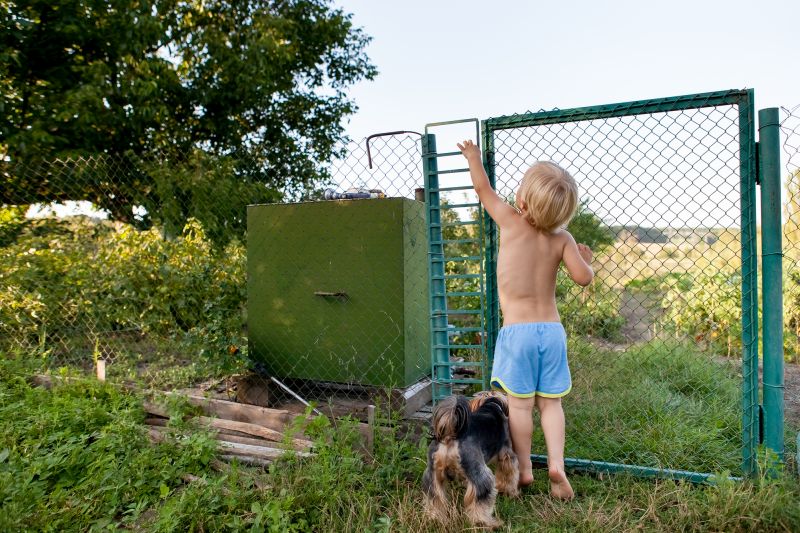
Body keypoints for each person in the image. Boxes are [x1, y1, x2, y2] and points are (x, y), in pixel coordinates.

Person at [457, 140, 594, 500]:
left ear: (522, 200)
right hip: (551, 332)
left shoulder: (510, 222)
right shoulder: (563, 238)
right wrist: (586, 259)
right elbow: (583, 278)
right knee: (551, 404)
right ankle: (557, 466)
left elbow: (482, 189)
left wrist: (474, 157)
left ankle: (526, 468)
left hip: (516, 333)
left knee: (519, 405)